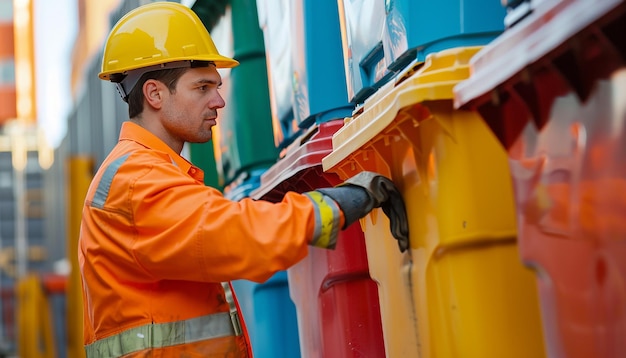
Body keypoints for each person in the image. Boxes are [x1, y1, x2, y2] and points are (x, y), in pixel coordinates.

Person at [78, 2, 408, 357]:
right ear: (155, 94)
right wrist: (339, 203)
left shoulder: (146, 171)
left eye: (216, 87)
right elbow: (239, 236)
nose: (219, 100)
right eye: (202, 87)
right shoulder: (135, 180)